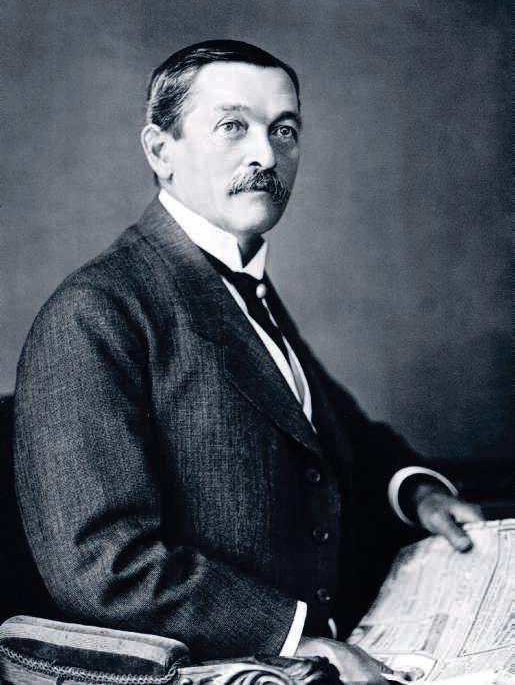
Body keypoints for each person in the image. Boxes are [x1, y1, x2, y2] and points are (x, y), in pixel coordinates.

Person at [14, 40, 483, 684]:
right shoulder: (95, 311)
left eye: (284, 130)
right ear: (161, 150)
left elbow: (331, 437)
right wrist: (293, 639)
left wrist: (419, 492)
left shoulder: (245, 283)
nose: (266, 154)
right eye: (233, 126)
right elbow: (103, 567)